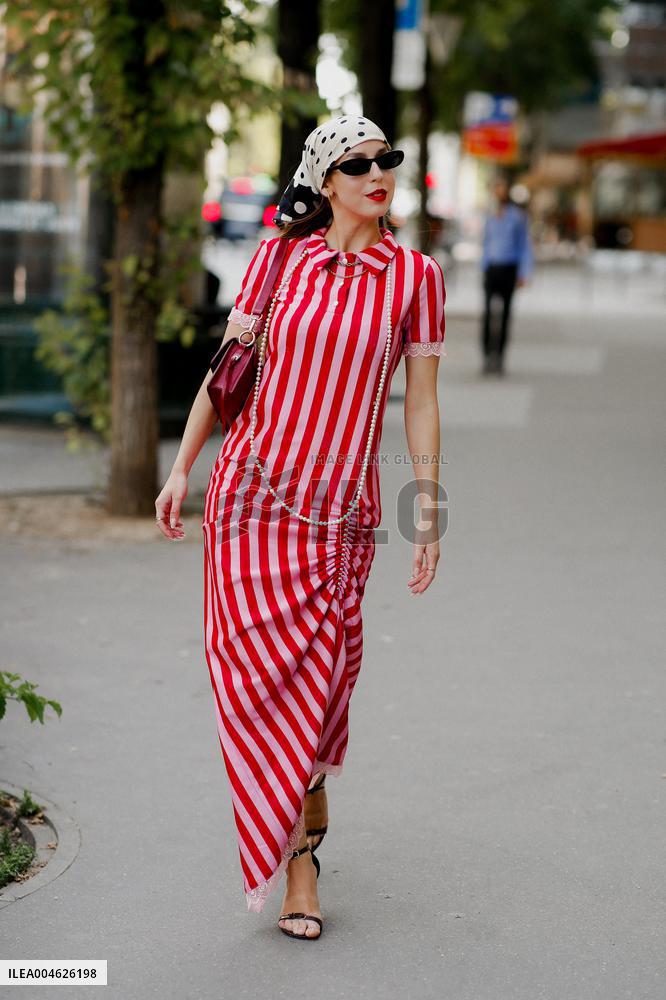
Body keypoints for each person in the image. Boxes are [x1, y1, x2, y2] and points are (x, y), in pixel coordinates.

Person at [154, 115, 446, 940]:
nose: (378, 172)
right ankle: (298, 863)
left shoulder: (416, 278)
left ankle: (305, 818)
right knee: (248, 685)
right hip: (248, 500)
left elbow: (421, 402)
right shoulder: (279, 259)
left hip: (337, 519)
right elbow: (225, 374)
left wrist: (427, 509)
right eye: (358, 163)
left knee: (318, 692)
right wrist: (182, 469)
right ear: (325, 182)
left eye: (387, 158)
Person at [480, 175, 533, 375]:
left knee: (505, 315)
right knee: (487, 314)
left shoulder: (517, 216)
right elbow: (486, 241)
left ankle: (500, 357)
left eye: (502, 188)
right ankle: (486, 355)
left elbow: (524, 246)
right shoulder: (490, 215)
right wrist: (484, 264)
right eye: (496, 188)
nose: (499, 192)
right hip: (491, 268)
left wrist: (524, 272)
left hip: (509, 269)